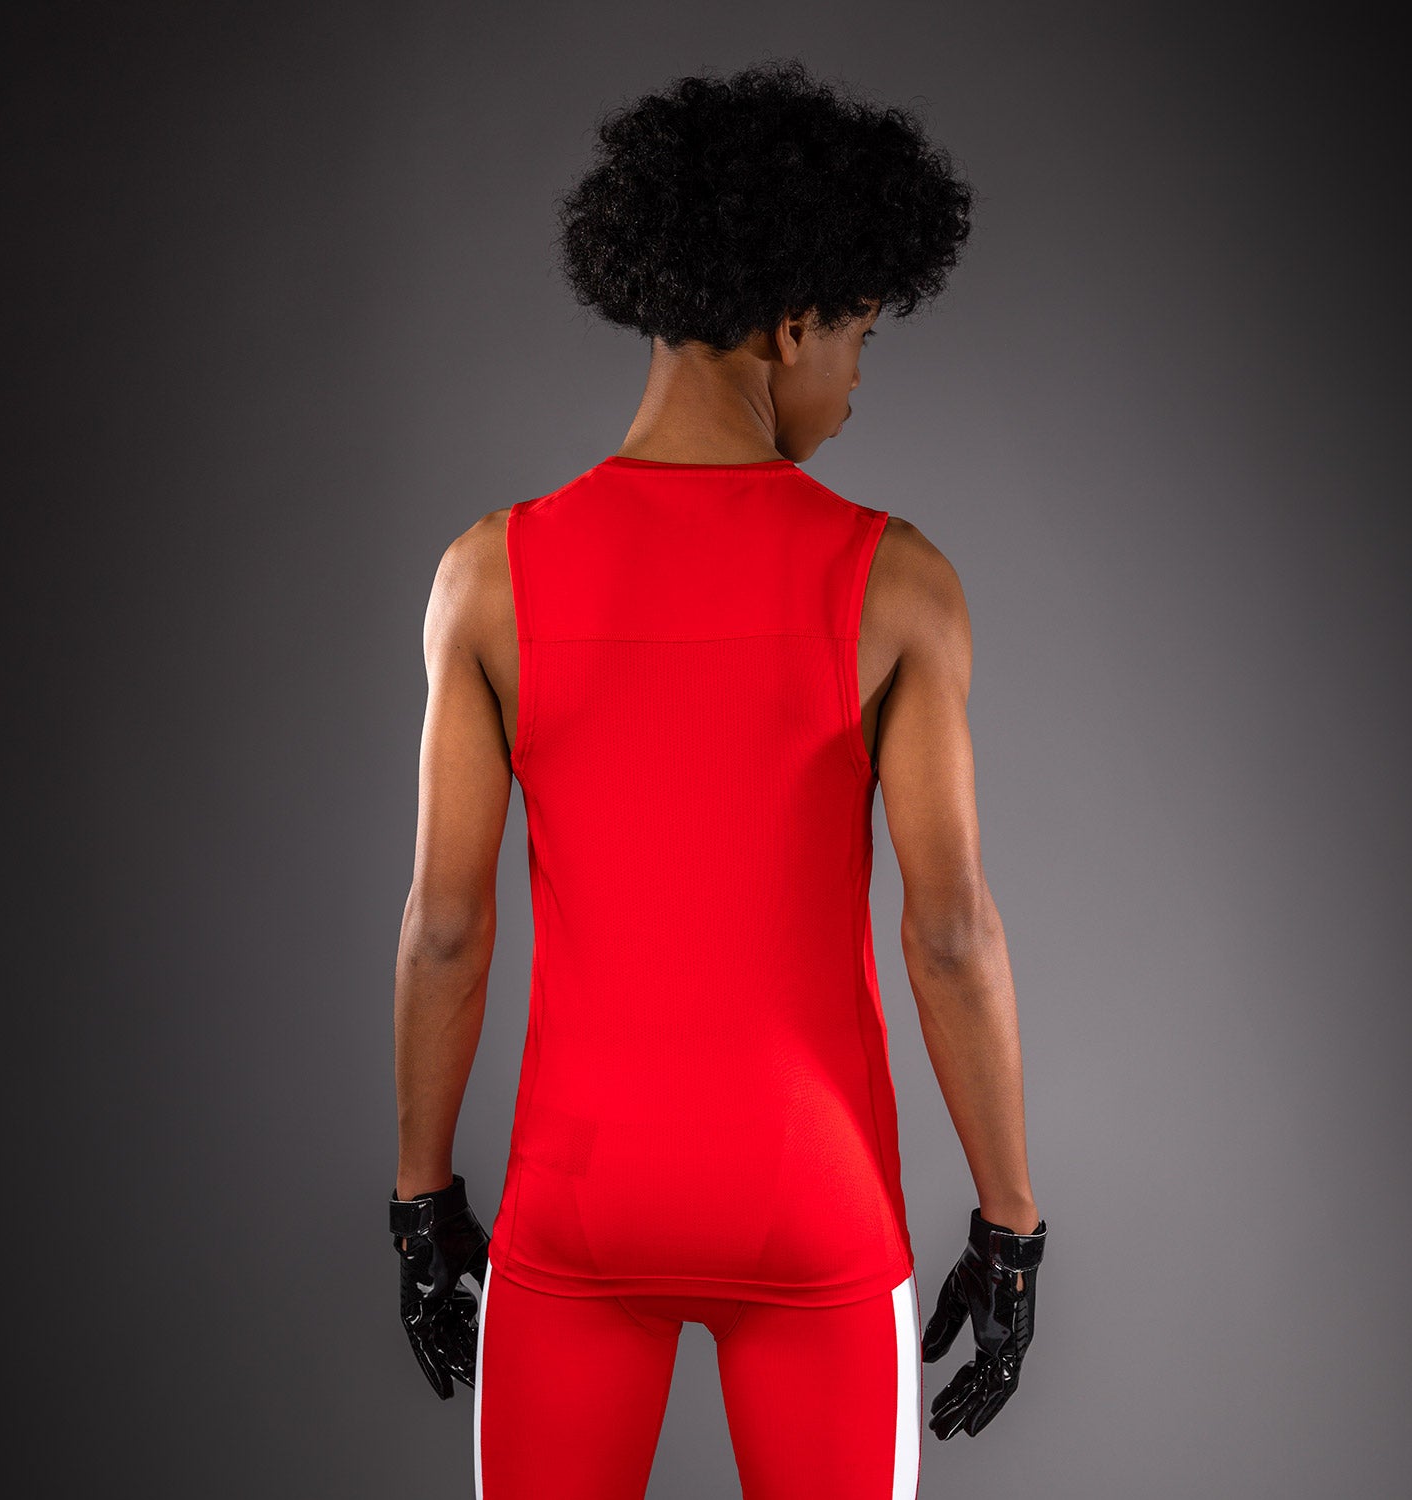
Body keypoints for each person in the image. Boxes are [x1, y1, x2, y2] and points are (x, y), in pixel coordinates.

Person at [388, 58, 1047, 1499]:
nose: (856, 388)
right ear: (791, 324)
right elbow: (948, 935)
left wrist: (422, 1201)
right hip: (811, 1197)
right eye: (860, 338)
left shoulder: (487, 577)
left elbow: (446, 927)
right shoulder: (899, 585)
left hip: (581, 1198)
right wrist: (1009, 1226)